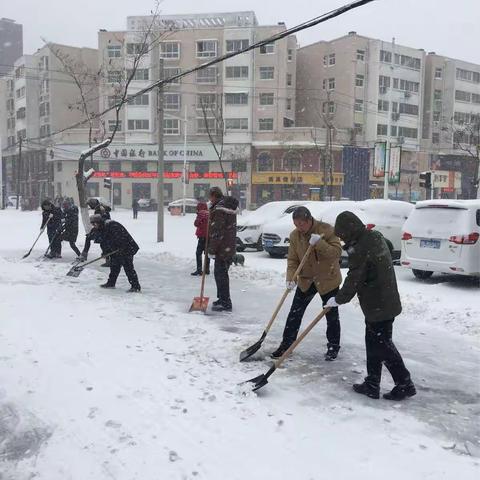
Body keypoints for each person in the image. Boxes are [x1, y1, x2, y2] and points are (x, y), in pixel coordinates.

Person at [326, 211, 416, 401]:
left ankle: (404, 383)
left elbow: (354, 277)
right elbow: (382, 256)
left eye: (342, 234)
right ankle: (372, 383)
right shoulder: (373, 236)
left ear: (349, 230)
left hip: (378, 303)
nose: (342, 239)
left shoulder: (360, 247)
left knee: (382, 345)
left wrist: (338, 299)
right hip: (386, 296)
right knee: (375, 342)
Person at [271, 206, 343, 361]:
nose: (299, 228)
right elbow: (293, 260)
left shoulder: (327, 230)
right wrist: (291, 278)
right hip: (306, 279)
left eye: (301, 224)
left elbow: (336, 253)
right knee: (295, 313)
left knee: (331, 314)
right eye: (296, 225)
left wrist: (320, 243)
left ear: (309, 220)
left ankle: (333, 346)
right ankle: (286, 344)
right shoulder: (295, 236)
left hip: (327, 279)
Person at [89, 214, 141, 292]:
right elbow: (103, 242)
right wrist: (105, 252)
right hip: (116, 250)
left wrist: (120, 247)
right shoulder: (101, 228)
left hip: (126, 248)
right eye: (92, 224)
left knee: (128, 268)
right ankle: (111, 283)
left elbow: (121, 237)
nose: (93, 225)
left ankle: (136, 286)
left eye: (94, 223)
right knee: (114, 266)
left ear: (98, 222)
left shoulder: (112, 225)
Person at [208, 187, 239, 312]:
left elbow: (217, 231)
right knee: (221, 274)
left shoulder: (220, 209)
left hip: (223, 247)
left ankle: (225, 302)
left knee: (221, 275)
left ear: (214, 196)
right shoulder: (227, 207)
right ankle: (222, 299)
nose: (209, 200)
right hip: (228, 246)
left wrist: (211, 249)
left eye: (210, 197)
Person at [81, 198, 112, 264]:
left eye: (90, 205)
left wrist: (95, 222)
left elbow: (101, 220)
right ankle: (108, 259)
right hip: (103, 229)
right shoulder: (100, 208)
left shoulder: (100, 209)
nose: (90, 206)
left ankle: (84, 255)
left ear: (93, 204)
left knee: (90, 238)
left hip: (102, 229)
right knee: (103, 244)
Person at [191, 201, 210, 276]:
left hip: (202, 236)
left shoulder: (201, 214)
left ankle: (199, 270)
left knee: (198, 253)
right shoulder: (209, 213)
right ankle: (207, 269)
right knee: (207, 253)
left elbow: (196, 224)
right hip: (209, 236)